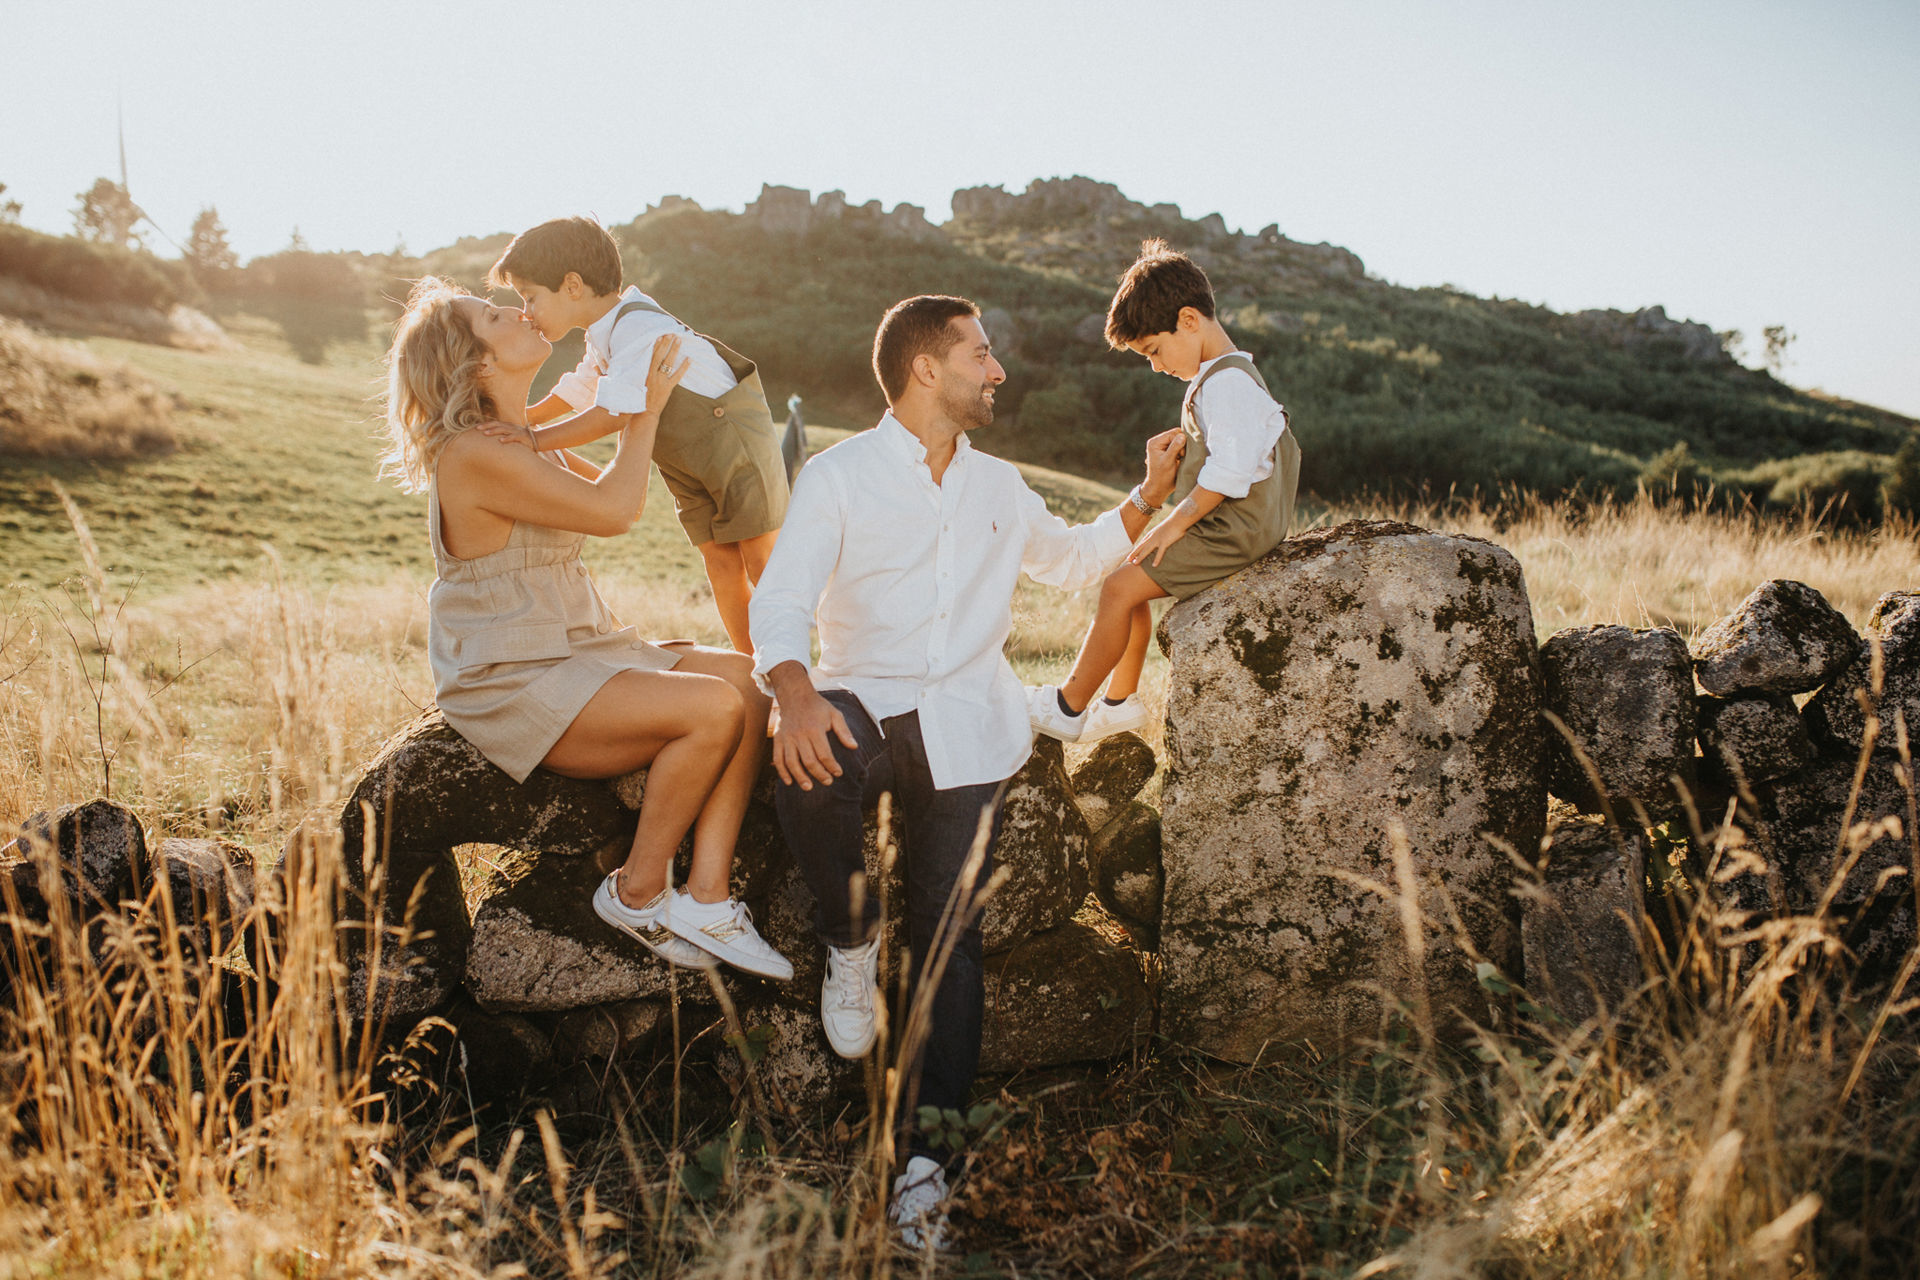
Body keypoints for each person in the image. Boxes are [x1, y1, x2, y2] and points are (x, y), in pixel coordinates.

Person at [749, 294, 1184, 1247]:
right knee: (812, 769)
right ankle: (850, 938)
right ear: (924, 369)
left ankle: (922, 1169)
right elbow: (779, 597)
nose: (996, 371)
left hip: (970, 721)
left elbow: (1073, 561)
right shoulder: (841, 475)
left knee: (954, 939)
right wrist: (792, 690)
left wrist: (1148, 493)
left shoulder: (998, 485)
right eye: (980, 354)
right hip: (862, 693)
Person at [380, 276, 790, 981]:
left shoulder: (521, 439)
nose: (515, 309)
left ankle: (707, 897)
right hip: (515, 676)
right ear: (476, 363)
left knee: (749, 684)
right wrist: (644, 407)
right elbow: (616, 511)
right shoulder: (473, 452)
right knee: (713, 709)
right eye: (492, 314)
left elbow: (606, 496)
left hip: (580, 648)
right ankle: (636, 892)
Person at [1027, 240, 1301, 744]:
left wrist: (1173, 525)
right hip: (1233, 526)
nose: (1154, 365)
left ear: (1189, 320)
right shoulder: (1221, 380)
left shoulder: (1227, 384)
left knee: (1118, 587)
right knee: (1125, 579)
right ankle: (1118, 703)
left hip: (1233, 531)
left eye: (1154, 350)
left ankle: (1068, 707)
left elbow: (1229, 473)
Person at [484, 216, 788, 655]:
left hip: (733, 444)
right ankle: (753, 664)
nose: (526, 313)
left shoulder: (638, 329)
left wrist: (534, 440)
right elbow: (580, 387)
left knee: (762, 561)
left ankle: (794, 663)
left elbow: (609, 414)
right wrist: (524, 419)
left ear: (572, 285)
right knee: (721, 564)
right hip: (688, 461)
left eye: (530, 298)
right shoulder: (603, 334)